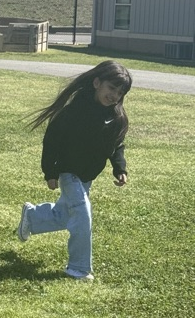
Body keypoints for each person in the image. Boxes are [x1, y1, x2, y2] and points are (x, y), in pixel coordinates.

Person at [16, 60, 132, 282]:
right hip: (68, 172)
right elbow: (52, 141)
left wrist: (119, 168)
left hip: (87, 176)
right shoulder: (74, 111)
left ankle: (32, 216)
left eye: (120, 92)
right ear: (97, 83)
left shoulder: (115, 117)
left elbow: (116, 145)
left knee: (64, 215)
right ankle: (79, 268)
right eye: (111, 88)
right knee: (82, 213)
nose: (114, 95)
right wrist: (50, 172)